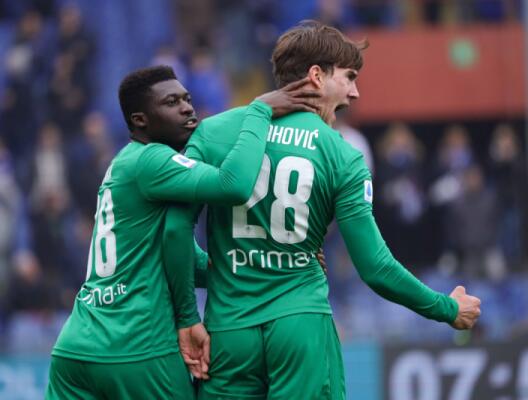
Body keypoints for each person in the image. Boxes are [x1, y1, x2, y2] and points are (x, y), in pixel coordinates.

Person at [164, 21, 481, 399]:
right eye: (349, 77)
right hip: (302, 329)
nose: (355, 92)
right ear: (316, 76)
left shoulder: (213, 132)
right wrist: (446, 308)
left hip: (229, 332)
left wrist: (197, 301)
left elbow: (174, 230)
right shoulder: (343, 154)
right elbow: (376, 267)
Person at [45, 65, 320, 399]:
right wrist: (258, 112)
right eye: (171, 102)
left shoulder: (124, 162)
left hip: (76, 346)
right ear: (140, 120)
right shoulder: (152, 160)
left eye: (187, 99)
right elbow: (233, 185)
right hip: (136, 345)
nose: (187, 108)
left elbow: (182, 258)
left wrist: (281, 261)